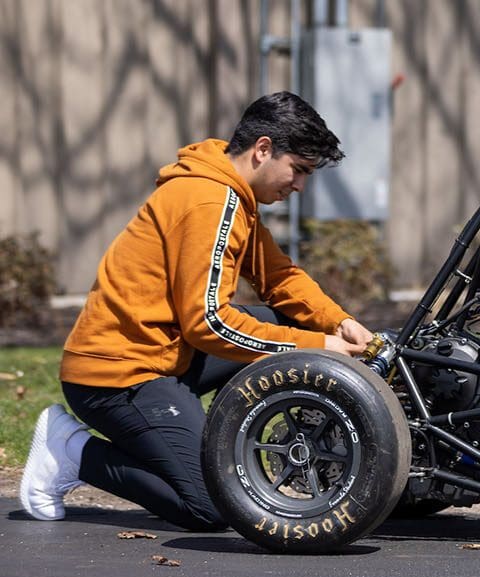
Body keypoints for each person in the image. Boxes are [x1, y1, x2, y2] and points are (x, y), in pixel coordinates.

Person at [20, 91, 373, 530]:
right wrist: (318, 346)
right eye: (298, 170)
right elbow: (209, 323)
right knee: (216, 505)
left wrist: (341, 323)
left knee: (292, 321)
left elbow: (279, 278)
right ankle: (73, 453)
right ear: (263, 150)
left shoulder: (233, 197)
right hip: (116, 378)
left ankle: (162, 435)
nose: (300, 186)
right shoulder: (209, 202)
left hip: (165, 355)